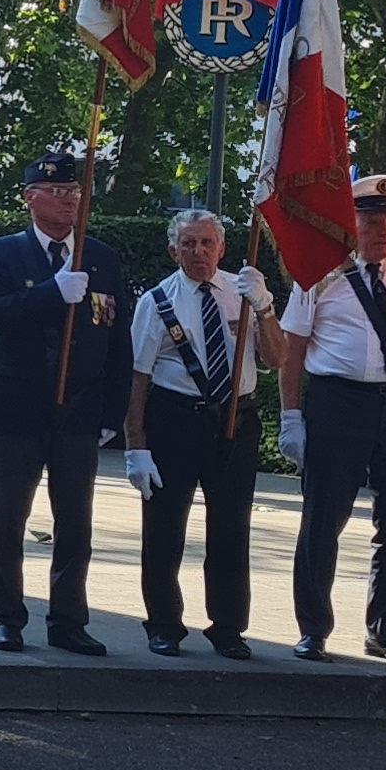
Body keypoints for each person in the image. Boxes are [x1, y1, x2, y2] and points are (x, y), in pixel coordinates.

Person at [277, 175, 386, 663]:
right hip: (338, 403)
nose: (384, 232)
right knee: (323, 520)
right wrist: (291, 414)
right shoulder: (319, 272)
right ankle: (313, 627)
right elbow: (293, 351)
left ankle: (385, 631)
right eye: (372, 222)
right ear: (349, 223)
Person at [0, 151, 127, 655]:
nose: (68, 201)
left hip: (79, 411)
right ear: (30, 198)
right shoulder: (3, 253)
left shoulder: (100, 257)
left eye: (74, 192)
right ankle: (6, 616)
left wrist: (113, 412)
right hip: (19, 408)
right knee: (8, 518)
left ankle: (68, 619)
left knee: (76, 523)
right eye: (56, 192)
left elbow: (118, 340)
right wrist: (50, 293)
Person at [121, 208, 275, 656]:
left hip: (236, 420)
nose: (198, 251)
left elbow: (277, 358)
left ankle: (228, 626)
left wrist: (264, 308)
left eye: (207, 243)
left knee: (231, 527)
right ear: (174, 251)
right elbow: (137, 378)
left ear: (222, 248)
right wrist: (136, 446)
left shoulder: (244, 294)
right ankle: (164, 624)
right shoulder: (157, 301)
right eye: (188, 243)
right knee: (165, 527)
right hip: (175, 419)